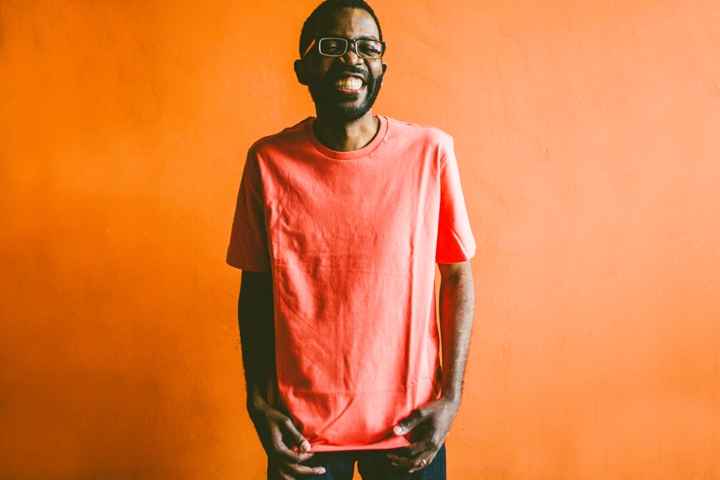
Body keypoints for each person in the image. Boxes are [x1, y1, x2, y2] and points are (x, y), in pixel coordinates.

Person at [227, 1, 476, 478]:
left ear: (382, 65)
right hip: (303, 438)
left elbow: (457, 276)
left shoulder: (431, 153)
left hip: (411, 430)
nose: (351, 58)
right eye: (333, 46)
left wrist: (451, 398)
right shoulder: (267, 162)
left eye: (367, 47)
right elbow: (255, 292)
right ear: (303, 69)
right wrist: (258, 404)